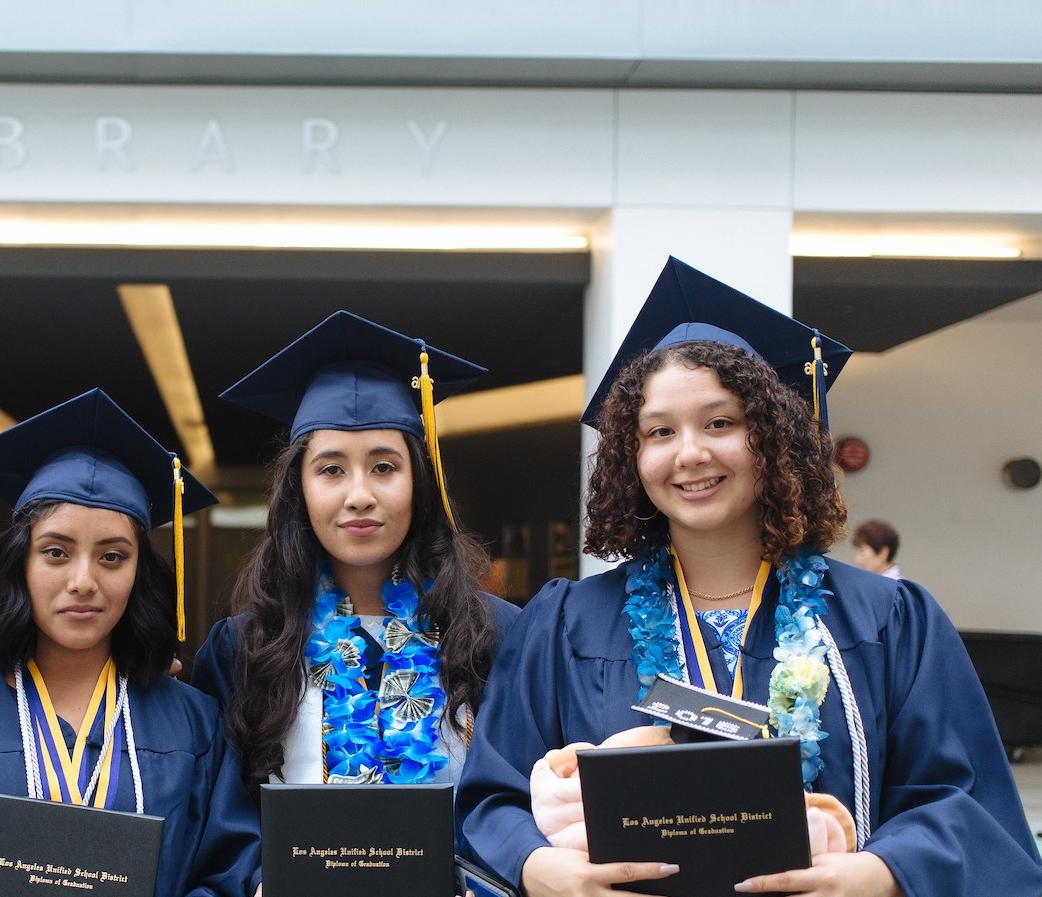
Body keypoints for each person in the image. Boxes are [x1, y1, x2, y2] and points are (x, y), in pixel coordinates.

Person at [456, 257, 1042, 897]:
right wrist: (538, 867)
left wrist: (883, 872)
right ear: (632, 456)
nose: (689, 454)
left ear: (773, 438)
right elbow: (491, 797)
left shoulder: (885, 619)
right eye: (659, 432)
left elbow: (966, 800)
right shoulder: (569, 623)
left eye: (720, 423)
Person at [0, 389, 259, 897]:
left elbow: (225, 875)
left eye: (113, 557)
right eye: (55, 552)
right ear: (19, 564)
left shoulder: (195, 724)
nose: (83, 581)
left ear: (140, 573)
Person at [193, 311, 520, 793]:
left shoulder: (494, 636)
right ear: (298, 490)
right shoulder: (246, 648)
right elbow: (226, 823)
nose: (359, 494)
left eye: (384, 466)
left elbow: (515, 801)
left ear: (420, 485)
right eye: (330, 470)